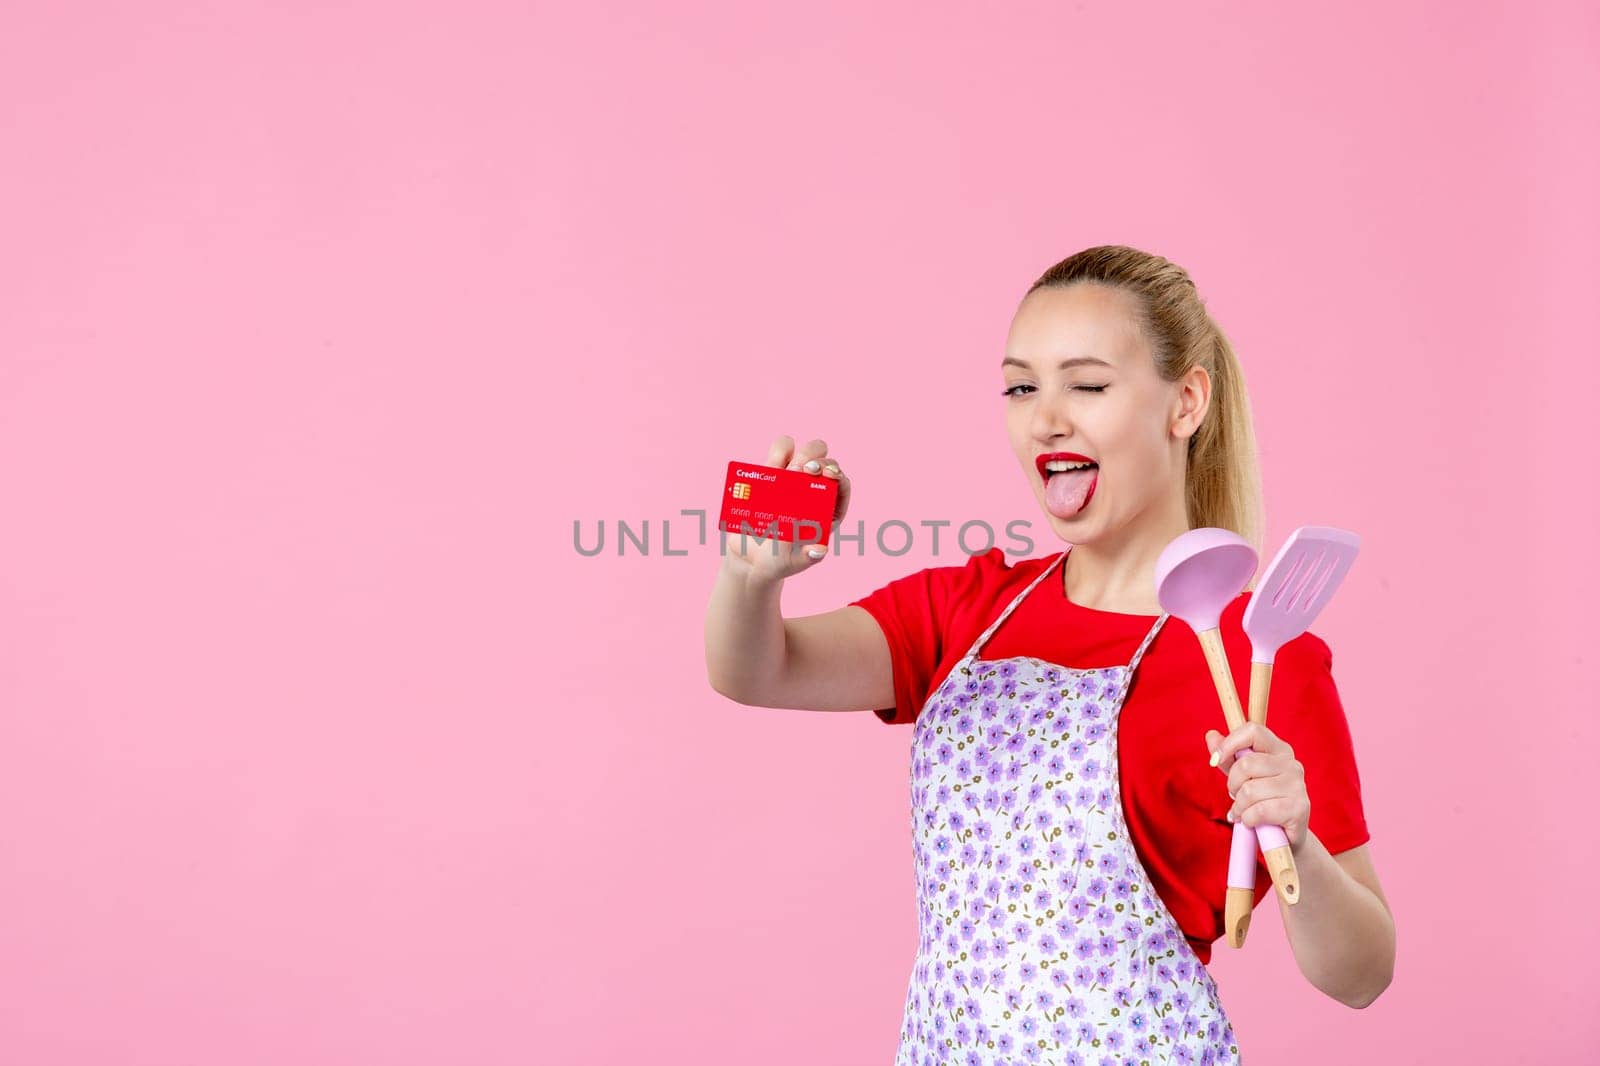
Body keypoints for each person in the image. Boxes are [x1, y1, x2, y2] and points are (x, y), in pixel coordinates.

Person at [704, 244, 1395, 1063]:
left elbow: (1362, 974)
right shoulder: (971, 608)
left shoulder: (1260, 656)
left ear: (1186, 403)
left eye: (1088, 384)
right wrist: (754, 577)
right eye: (1022, 386)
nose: (1045, 418)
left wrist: (1298, 839)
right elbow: (757, 670)